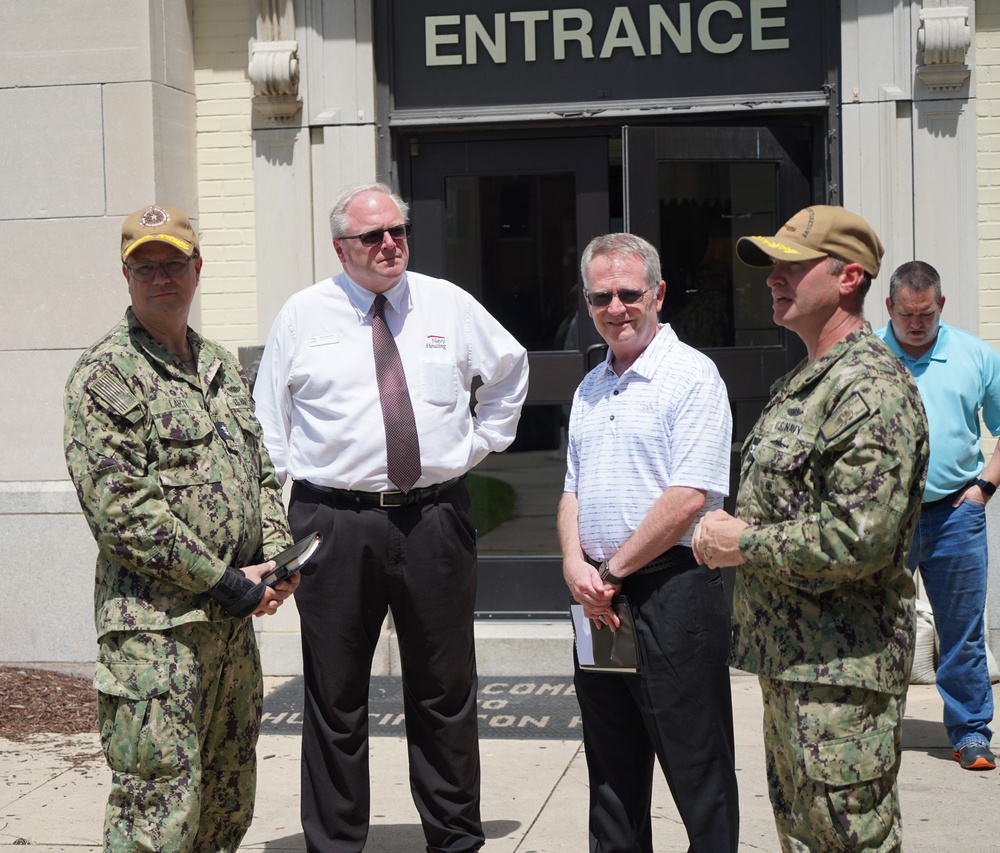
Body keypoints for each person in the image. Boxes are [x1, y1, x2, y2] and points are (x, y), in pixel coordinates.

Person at [252, 182, 529, 853]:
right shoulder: (302, 314)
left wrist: (476, 444)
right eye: (372, 236)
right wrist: (281, 520)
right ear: (339, 246)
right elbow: (267, 425)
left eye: (398, 230)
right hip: (334, 523)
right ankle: (337, 842)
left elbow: (511, 369)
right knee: (335, 695)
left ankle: (455, 836)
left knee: (444, 688)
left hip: (433, 519)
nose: (389, 244)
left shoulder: (447, 303)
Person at [691, 205, 929, 852]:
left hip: (841, 678)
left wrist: (742, 541)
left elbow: (861, 536)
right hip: (796, 667)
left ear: (849, 277)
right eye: (772, 266)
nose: (773, 278)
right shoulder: (808, 380)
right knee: (805, 839)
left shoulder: (868, 389)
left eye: (792, 266)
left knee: (848, 843)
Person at [63, 204, 299, 851]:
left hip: (228, 639)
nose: (161, 276)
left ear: (198, 269)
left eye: (173, 263)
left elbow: (257, 470)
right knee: (157, 817)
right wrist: (225, 581)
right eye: (146, 266)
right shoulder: (106, 375)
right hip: (154, 640)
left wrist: (278, 557)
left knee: (226, 805)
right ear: (126, 275)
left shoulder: (219, 365)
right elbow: (125, 515)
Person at [558, 232, 739, 852]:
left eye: (629, 294)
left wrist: (608, 571)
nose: (617, 308)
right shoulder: (590, 385)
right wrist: (573, 566)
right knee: (612, 775)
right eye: (601, 296)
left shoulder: (692, 377)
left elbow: (689, 495)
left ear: (658, 293)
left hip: (673, 592)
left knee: (698, 772)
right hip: (599, 602)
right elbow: (570, 489)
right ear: (587, 302)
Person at [877, 260, 999, 771]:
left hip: (956, 514)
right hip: (885, 520)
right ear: (889, 308)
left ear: (941, 306)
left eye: (926, 314)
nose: (916, 323)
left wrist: (984, 488)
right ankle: (875, 732)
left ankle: (971, 732)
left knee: (962, 631)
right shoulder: (867, 357)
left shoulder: (975, 355)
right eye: (907, 314)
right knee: (879, 628)